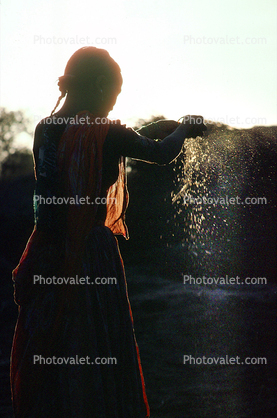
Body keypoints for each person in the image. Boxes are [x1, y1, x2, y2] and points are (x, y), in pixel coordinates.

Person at [10, 46, 206, 418]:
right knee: (95, 336)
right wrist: (182, 128)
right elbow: (162, 153)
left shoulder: (46, 129)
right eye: (115, 94)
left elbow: (113, 145)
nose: (115, 105)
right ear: (101, 85)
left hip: (50, 249)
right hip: (90, 256)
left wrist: (154, 129)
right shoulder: (105, 132)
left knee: (58, 343)